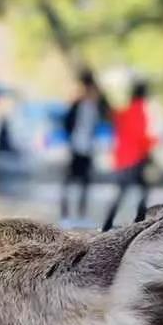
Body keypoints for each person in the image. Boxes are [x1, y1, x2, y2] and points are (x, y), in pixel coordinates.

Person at [102, 80, 157, 231]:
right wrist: (153, 144)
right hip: (134, 159)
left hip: (124, 158)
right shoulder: (139, 111)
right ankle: (137, 220)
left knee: (133, 190)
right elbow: (141, 136)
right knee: (134, 191)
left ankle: (130, 220)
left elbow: (119, 129)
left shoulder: (125, 111)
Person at [60, 69, 109, 221]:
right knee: (71, 179)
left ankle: (80, 212)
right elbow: (67, 121)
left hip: (88, 147)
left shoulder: (96, 106)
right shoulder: (78, 103)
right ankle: (66, 211)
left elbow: (107, 110)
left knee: (85, 181)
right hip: (77, 145)